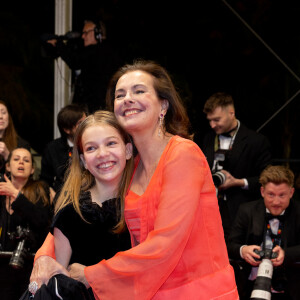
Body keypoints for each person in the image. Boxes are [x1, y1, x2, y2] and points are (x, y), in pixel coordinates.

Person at [30, 60, 238, 299]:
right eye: (120, 95)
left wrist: (91, 275)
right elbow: (78, 215)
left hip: (197, 292)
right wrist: (45, 257)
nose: (127, 98)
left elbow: (165, 245)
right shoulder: (133, 166)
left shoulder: (183, 154)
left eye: (139, 91)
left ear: (163, 105)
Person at [202, 92, 272, 243]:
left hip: (240, 214)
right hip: (207, 211)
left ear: (231, 113)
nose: (212, 125)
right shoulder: (207, 138)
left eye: (216, 120)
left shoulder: (257, 141)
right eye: (209, 120)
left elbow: (267, 180)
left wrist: (239, 182)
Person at [227, 165, 300, 300]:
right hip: (249, 287)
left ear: (291, 193)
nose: (276, 202)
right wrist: (243, 250)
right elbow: (230, 245)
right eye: (271, 194)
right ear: (262, 192)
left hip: (291, 288)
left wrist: (286, 254)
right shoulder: (246, 211)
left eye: (282, 195)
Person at [0, 147, 53, 300]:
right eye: (16, 159)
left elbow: (42, 220)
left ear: (32, 169)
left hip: (29, 265)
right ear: (8, 166)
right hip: (2, 265)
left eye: (26, 160)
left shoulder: (40, 189)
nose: (21, 162)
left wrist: (16, 195)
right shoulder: (1, 193)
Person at [43, 19, 121, 113]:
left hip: (97, 110)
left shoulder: (100, 51)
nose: (83, 36)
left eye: (86, 33)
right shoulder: (103, 51)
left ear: (97, 33)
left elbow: (75, 61)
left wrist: (58, 43)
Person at [40, 103, 87, 194]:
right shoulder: (52, 148)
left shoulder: (92, 144)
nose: (86, 126)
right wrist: (50, 192)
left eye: (86, 121)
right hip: (60, 195)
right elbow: (45, 180)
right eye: (81, 123)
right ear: (67, 129)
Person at [0, 100, 30, 175]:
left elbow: (25, 174)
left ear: (9, 117)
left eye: (3, 113)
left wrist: (8, 155)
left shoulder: (22, 144)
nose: (0, 116)